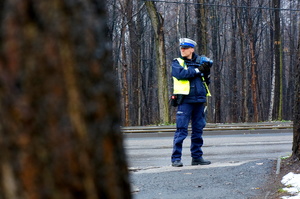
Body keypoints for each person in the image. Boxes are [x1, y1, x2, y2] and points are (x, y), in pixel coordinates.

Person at [171, 38, 213, 167]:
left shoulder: (201, 62)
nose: (182, 50)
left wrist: (206, 71)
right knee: (181, 130)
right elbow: (181, 75)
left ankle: (197, 157)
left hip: (199, 99)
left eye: (185, 48)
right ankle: (176, 159)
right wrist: (197, 70)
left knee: (198, 130)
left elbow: (205, 80)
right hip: (185, 100)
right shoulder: (177, 62)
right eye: (181, 48)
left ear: (192, 49)